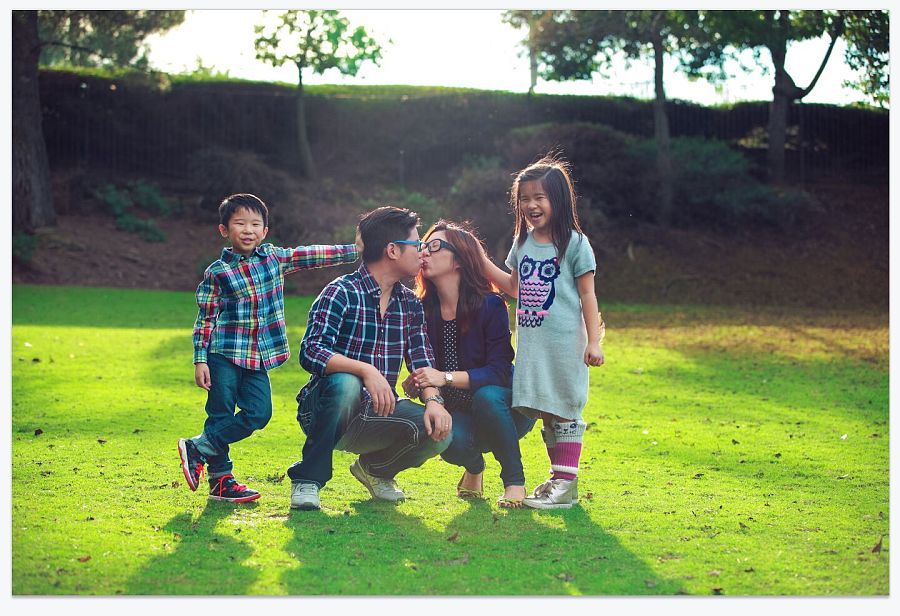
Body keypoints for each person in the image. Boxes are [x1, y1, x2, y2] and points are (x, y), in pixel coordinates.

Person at [178, 193, 359, 503]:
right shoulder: (217, 273)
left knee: (259, 414)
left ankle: (199, 446)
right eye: (240, 223)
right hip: (223, 354)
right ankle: (221, 481)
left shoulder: (274, 258)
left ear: (264, 231)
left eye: (255, 224)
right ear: (224, 230)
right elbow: (205, 319)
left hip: (258, 357)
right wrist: (200, 360)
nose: (248, 230)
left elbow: (310, 255)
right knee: (220, 414)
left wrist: (355, 251)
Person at [287, 206, 453, 511]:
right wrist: (365, 370)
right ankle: (307, 479)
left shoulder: (410, 304)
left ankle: (375, 470)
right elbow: (311, 350)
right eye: (416, 244)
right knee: (347, 383)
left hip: (378, 414)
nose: (422, 252)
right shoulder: (340, 292)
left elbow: (421, 360)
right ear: (392, 250)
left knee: (440, 432)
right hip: (324, 412)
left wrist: (433, 401)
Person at [482, 156, 605, 509]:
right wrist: (480, 261)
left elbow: (588, 294)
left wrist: (594, 341)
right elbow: (514, 287)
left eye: (539, 197)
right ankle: (559, 478)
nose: (531, 205)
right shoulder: (522, 243)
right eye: (524, 198)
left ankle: (566, 484)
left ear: (559, 199)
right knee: (547, 407)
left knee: (564, 405)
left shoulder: (575, 244)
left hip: (565, 343)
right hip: (534, 345)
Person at [403, 220, 535, 508]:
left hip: (507, 408)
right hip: (459, 411)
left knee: (487, 396)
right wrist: (420, 382)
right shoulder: (420, 310)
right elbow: (421, 364)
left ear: (460, 259)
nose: (425, 252)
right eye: (423, 246)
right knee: (447, 438)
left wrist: (443, 377)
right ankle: (475, 468)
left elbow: (499, 373)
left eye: (435, 246)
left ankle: (514, 482)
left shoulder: (490, 305)